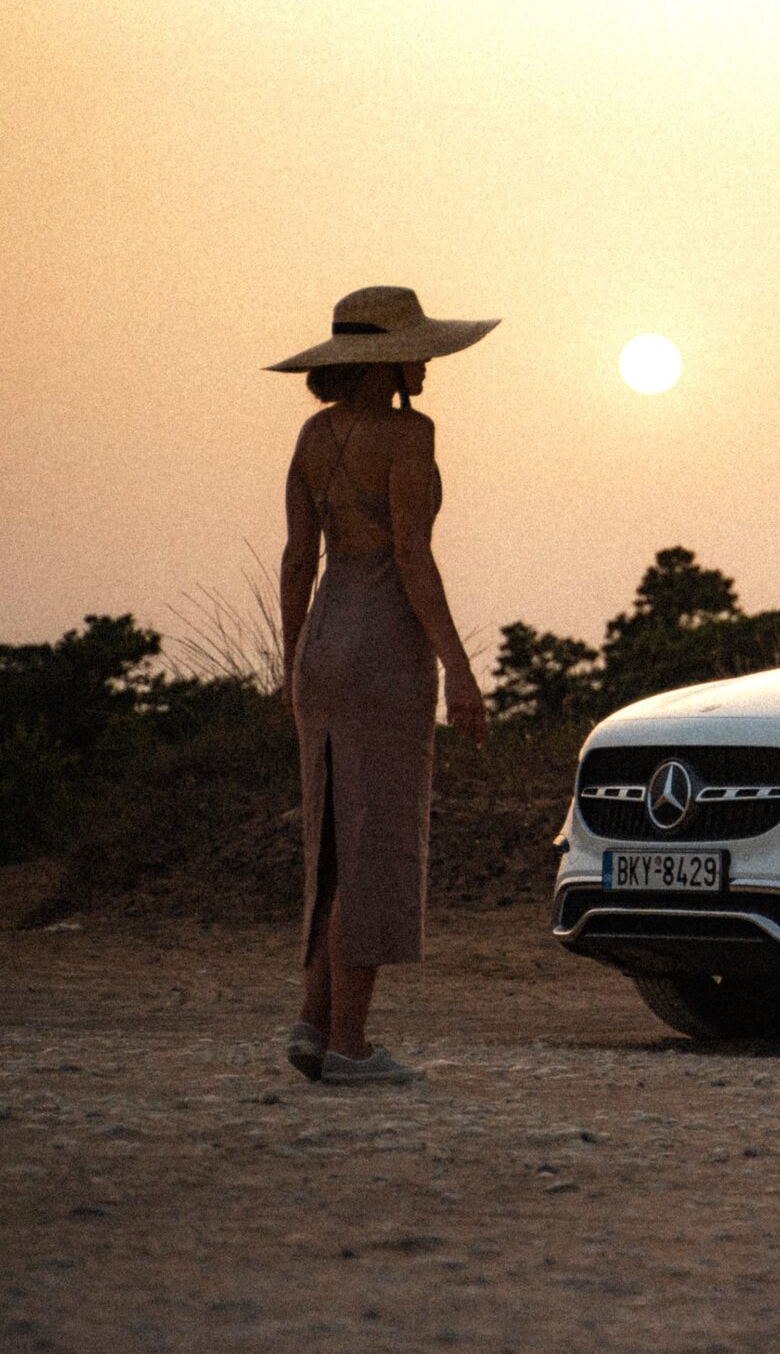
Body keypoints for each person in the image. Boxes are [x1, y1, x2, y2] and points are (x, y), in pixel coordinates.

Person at [266, 286, 496, 1086]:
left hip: (322, 642)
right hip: (383, 644)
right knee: (372, 843)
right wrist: (459, 667)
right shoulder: (409, 432)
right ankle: (350, 1043)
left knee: (331, 839)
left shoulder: (312, 434)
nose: (426, 362)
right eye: (415, 349)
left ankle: (312, 1022)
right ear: (383, 361)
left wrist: (292, 660)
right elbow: (411, 554)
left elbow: (298, 559)